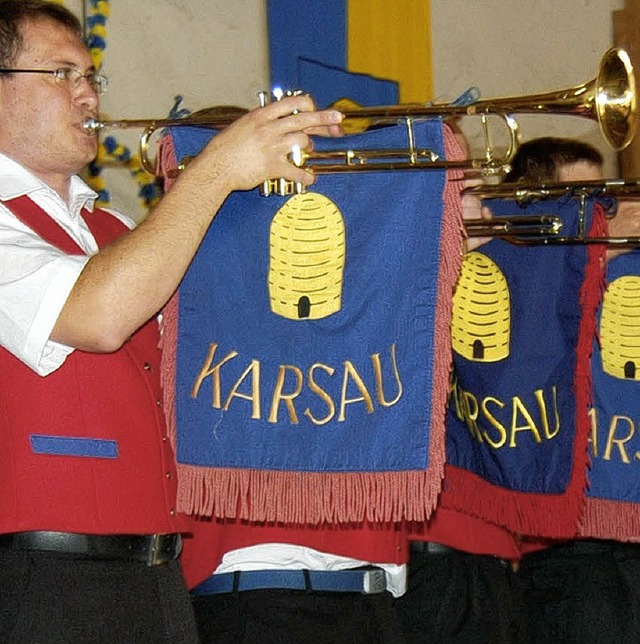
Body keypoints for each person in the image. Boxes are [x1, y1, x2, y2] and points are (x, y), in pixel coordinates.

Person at [0, 1, 342, 642]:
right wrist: (215, 169)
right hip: (44, 575)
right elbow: (98, 316)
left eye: (90, 77)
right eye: (61, 73)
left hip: (155, 574)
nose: (87, 95)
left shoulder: (112, 228)